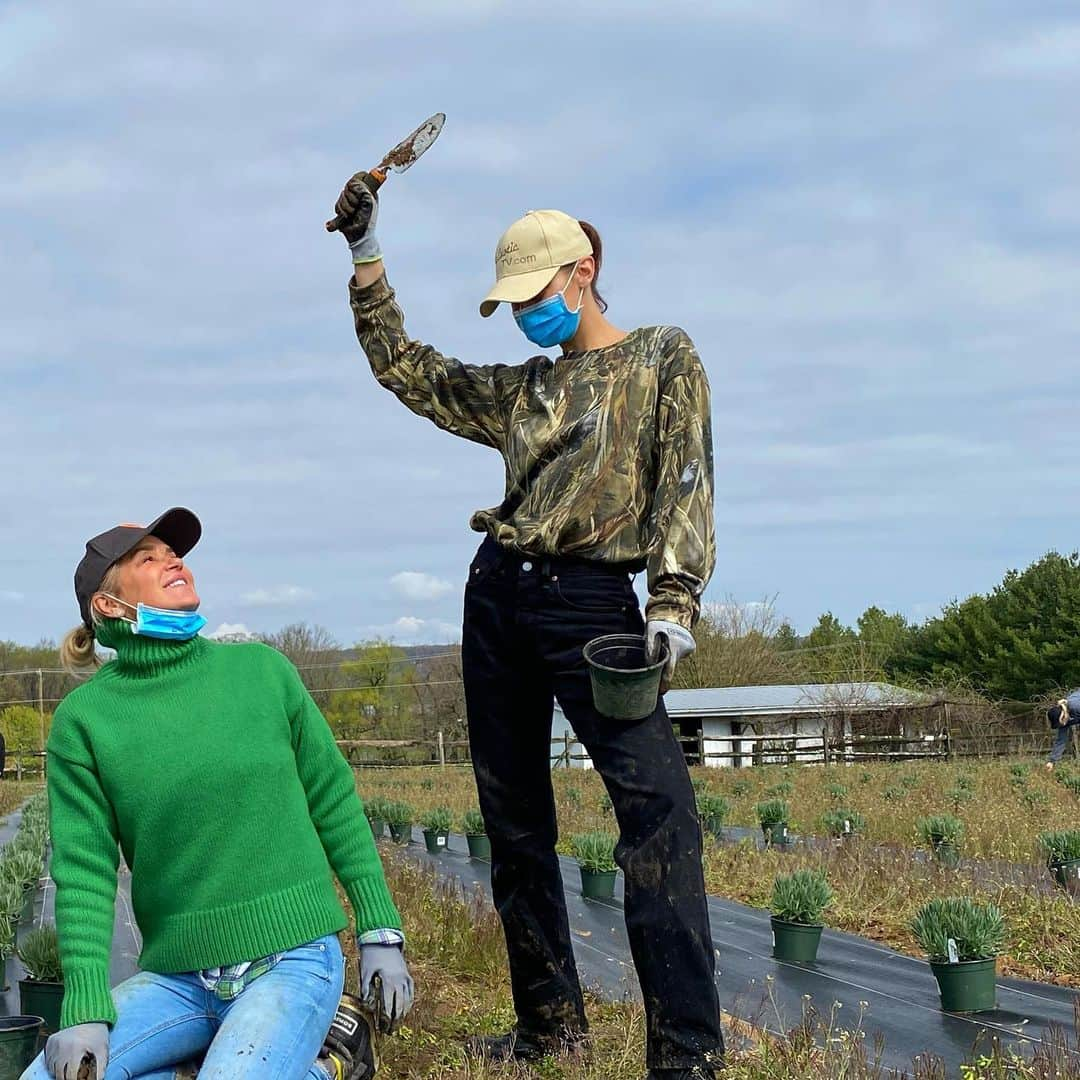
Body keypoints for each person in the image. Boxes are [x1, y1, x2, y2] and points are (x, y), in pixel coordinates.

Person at [328, 173, 724, 1079]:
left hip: (594, 611)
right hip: (498, 596)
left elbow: (687, 482)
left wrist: (672, 603)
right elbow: (410, 370)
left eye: (535, 298)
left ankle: (687, 1055)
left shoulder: (662, 358)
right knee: (513, 825)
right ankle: (550, 1028)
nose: (522, 319)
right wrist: (364, 255)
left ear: (582, 275)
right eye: (511, 306)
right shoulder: (520, 392)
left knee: (658, 818)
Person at [24, 508, 412, 1080]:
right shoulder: (84, 721)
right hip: (178, 980)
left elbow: (333, 799)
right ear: (109, 605)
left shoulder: (262, 672)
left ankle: (327, 1063)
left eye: (173, 553)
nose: (173, 561)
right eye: (147, 558)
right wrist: (83, 1008)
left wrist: (380, 930)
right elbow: (83, 872)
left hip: (294, 958)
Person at [1046, 691, 1080, 769]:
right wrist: (1052, 761)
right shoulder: (1064, 720)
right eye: (1061, 724)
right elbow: (1061, 740)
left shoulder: (1075, 706)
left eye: (1062, 721)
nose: (1063, 724)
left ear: (1063, 713)